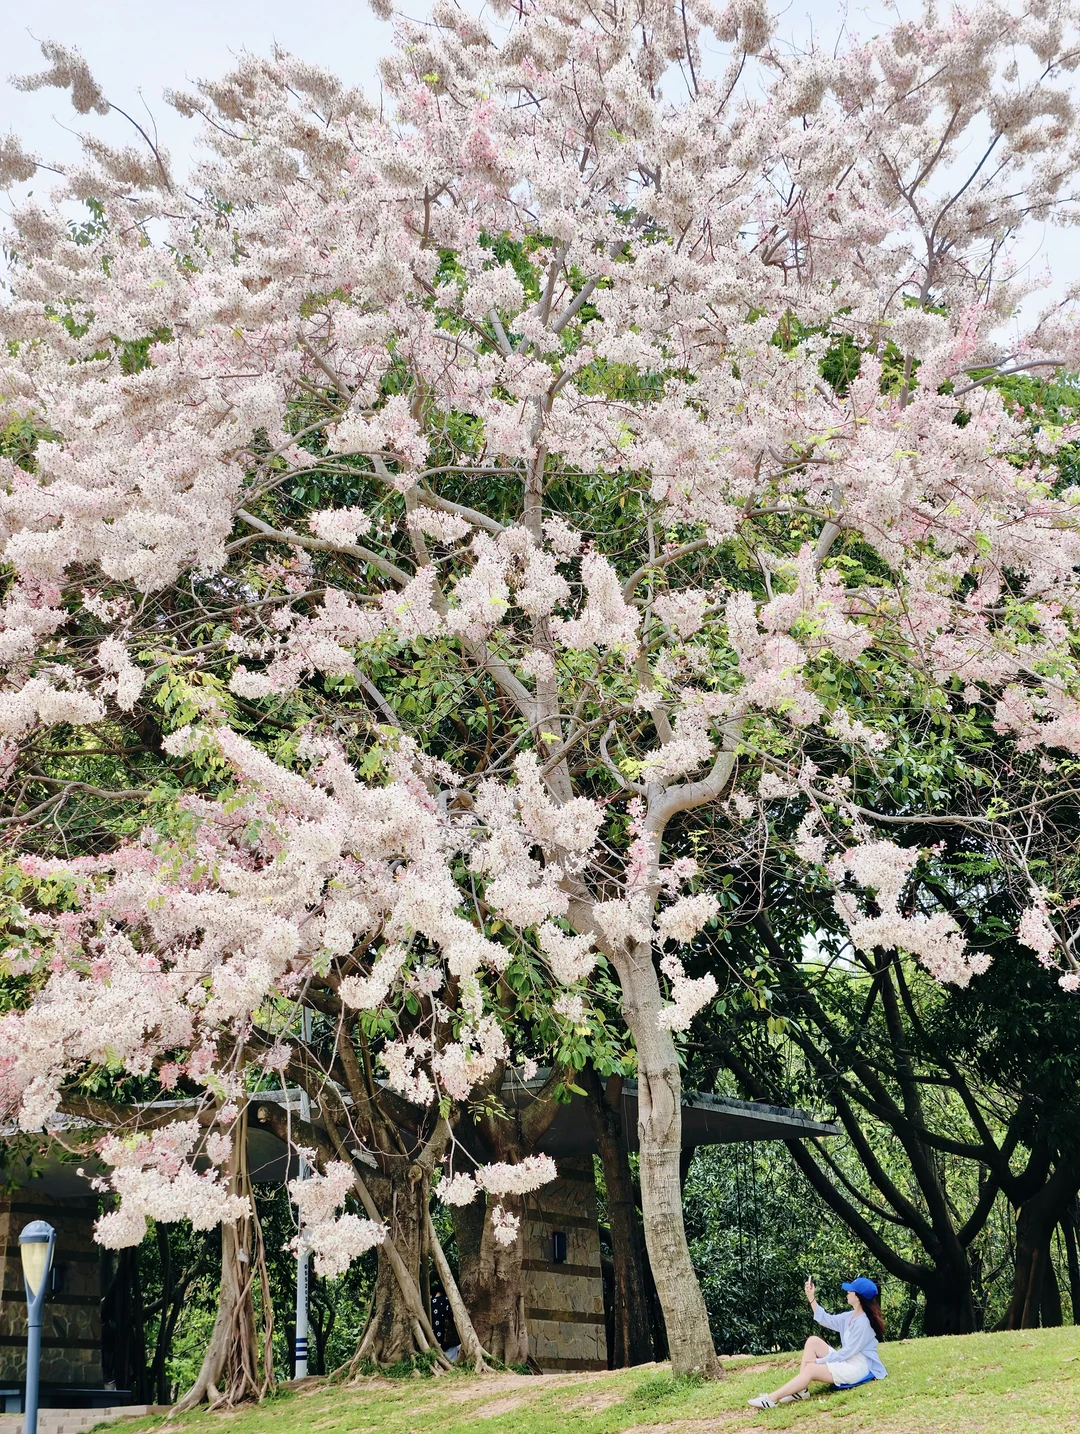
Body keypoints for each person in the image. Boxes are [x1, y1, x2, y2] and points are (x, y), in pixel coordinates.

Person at [747, 1276, 888, 1409]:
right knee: (812, 1341)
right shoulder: (850, 1316)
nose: (847, 1293)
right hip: (846, 1360)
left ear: (857, 1297)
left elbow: (847, 1352)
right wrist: (811, 1297)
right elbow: (826, 1319)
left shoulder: (863, 1323)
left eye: (850, 1291)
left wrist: (819, 1362)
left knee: (811, 1368)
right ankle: (801, 1390)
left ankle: (771, 1399)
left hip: (856, 1367)